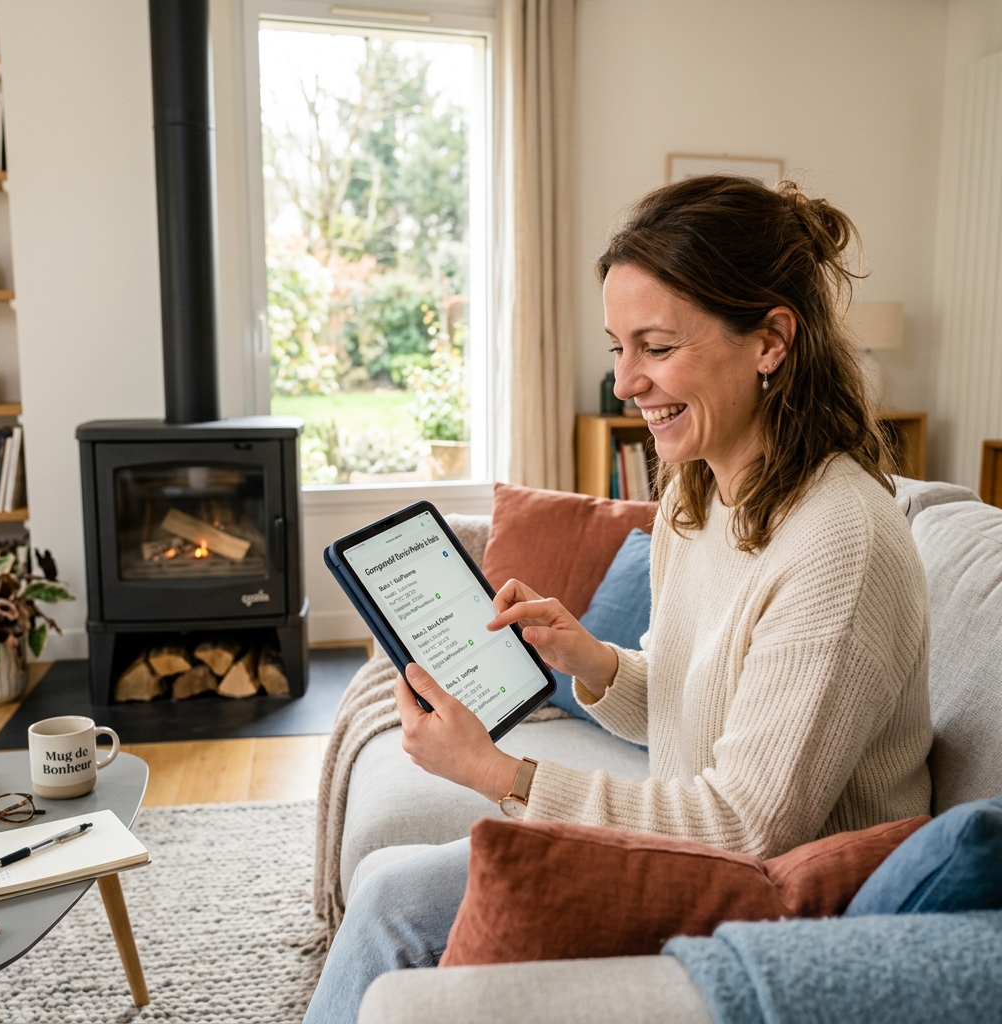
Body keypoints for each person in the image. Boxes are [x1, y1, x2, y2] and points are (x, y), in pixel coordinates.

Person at [302, 176, 933, 1023]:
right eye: (618, 348)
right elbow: (691, 709)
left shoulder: (840, 541)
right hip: (694, 859)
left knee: (392, 911)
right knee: (387, 882)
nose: (628, 382)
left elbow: (746, 830)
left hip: (788, 907)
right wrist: (591, 661)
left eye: (658, 346)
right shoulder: (696, 492)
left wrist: (498, 774)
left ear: (772, 339)